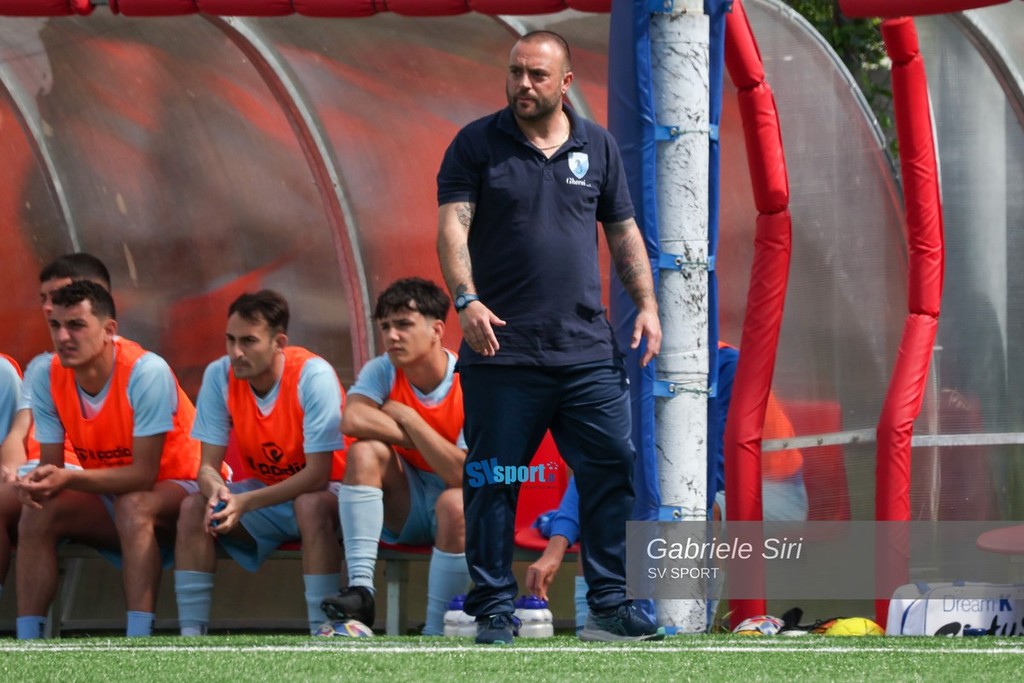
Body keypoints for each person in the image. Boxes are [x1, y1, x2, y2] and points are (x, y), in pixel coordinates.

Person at [436, 30, 664, 643]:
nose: (523, 84)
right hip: (500, 349)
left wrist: (647, 305)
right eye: (516, 72)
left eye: (537, 75)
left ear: (565, 83)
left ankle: (608, 607)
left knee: (611, 466)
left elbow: (623, 232)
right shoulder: (475, 144)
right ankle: (492, 608)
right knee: (494, 478)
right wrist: (467, 300)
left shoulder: (598, 145)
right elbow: (452, 229)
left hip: (586, 349)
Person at [525, 343, 808, 629]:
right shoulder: (631, 367)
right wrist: (555, 549)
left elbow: (721, 468)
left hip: (771, 489)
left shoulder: (727, 365)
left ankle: (691, 629)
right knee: (606, 509)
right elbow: (600, 465)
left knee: (701, 511)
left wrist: (652, 500)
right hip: (677, 480)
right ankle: (593, 628)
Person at [14, 280, 200, 639]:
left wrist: (68, 478)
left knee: (134, 505)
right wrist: (35, 483)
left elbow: (143, 476)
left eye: (76, 325)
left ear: (109, 329)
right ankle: (27, 641)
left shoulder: (146, 371)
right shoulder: (45, 373)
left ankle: (138, 638)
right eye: (55, 325)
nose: (63, 337)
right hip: (116, 492)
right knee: (39, 508)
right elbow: (52, 468)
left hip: (187, 491)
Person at [174, 290, 348, 636]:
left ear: (279, 342)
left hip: (333, 493)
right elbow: (207, 467)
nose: (236, 352)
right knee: (193, 507)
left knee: (310, 505)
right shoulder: (219, 375)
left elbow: (318, 476)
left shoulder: (313, 375)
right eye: (230, 339)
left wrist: (244, 502)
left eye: (248, 341)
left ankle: (324, 632)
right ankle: (190, 637)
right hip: (267, 496)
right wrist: (218, 492)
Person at [321, 277, 469, 636]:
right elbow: (353, 419)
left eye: (403, 324)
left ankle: (437, 630)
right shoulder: (383, 368)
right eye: (385, 326)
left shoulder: (472, 380)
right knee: (364, 451)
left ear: (437, 330)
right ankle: (361, 592)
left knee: (455, 502)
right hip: (408, 503)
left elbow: (463, 476)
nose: (391, 336)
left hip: (462, 509)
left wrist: (410, 418)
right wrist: (424, 442)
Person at [0, 253, 110, 607]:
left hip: (100, 484)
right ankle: (27, 630)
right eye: (44, 298)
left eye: (60, 296)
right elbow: (18, 433)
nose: (49, 307)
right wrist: (11, 471)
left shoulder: (140, 369)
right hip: (46, 475)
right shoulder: (43, 368)